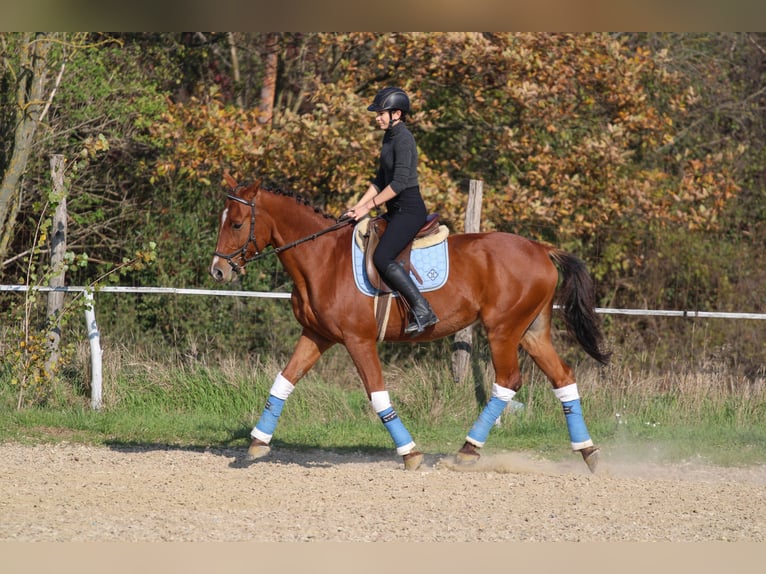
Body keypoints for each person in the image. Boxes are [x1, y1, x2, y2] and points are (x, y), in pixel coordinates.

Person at [344, 87, 438, 335]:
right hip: (394, 210)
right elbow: (378, 180)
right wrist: (358, 206)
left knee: (382, 257)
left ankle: (423, 309)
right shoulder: (388, 137)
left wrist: (368, 206)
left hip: (409, 210)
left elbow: (396, 184)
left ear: (396, 113)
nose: (377, 117)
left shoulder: (404, 139)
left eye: (381, 113)